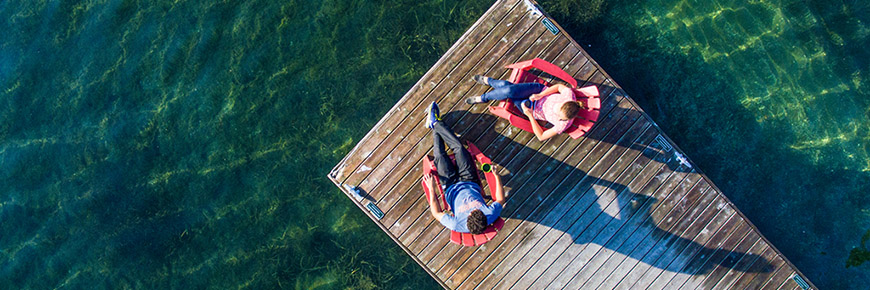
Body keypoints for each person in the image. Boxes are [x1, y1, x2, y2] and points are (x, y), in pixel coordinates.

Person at [423, 102, 505, 234]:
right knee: (460, 149)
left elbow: (436, 213)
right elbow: (501, 199)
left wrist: (431, 188)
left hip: (450, 187)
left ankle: (435, 124)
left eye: (472, 212)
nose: (474, 208)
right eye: (477, 209)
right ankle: (435, 124)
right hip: (469, 180)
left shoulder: (457, 225)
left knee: (440, 156)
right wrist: (497, 176)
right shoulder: (489, 215)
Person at [465, 75, 586, 141]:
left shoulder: (563, 124)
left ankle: (490, 83)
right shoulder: (569, 96)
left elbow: (541, 137)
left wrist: (529, 115)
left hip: (530, 108)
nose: (558, 117)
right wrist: (541, 95)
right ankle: (484, 97)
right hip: (538, 91)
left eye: (560, 118)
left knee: (507, 88)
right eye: (559, 112)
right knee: (508, 90)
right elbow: (559, 86)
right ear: (566, 103)